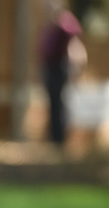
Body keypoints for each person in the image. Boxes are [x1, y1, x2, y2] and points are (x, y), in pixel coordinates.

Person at [39, 0, 87, 147]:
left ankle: (59, 139)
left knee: (58, 103)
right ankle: (54, 137)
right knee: (52, 102)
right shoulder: (51, 22)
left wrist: (77, 65)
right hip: (50, 67)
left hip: (59, 67)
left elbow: (75, 43)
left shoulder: (65, 22)